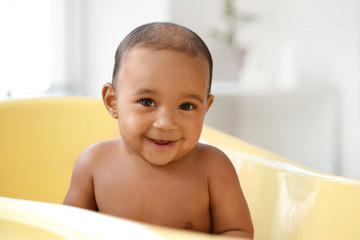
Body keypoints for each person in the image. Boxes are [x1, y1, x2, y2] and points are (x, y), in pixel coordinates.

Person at [63, 22, 254, 239]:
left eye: (186, 106)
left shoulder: (214, 168)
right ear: (113, 101)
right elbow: (65, 230)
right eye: (147, 101)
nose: (165, 123)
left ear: (205, 108)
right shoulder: (94, 163)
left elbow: (238, 233)